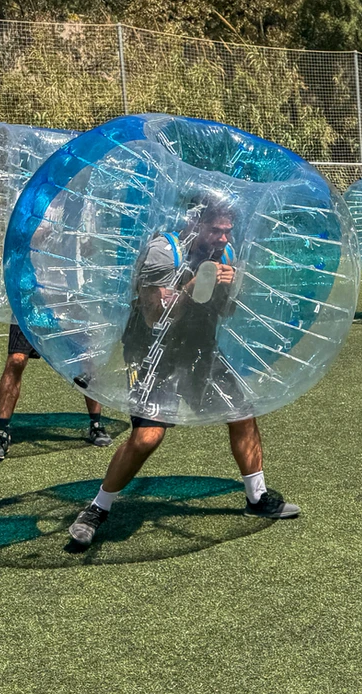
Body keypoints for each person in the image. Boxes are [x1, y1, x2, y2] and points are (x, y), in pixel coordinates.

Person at [67, 198, 299, 546]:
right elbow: (153, 316)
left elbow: (226, 311)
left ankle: (256, 497)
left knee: (242, 414)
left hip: (199, 348)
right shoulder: (163, 252)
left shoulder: (226, 254)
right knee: (148, 437)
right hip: (153, 352)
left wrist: (230, 286)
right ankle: (97, 508)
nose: (222, 238)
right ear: (195, 224)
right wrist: (191, 288)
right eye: (215, 230)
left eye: (227, 231)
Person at [0, 323, 111, 461]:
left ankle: (96, 424)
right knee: (16, 360)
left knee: (87, 357)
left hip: (67, 308)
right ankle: (2, 431)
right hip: (28, 308)